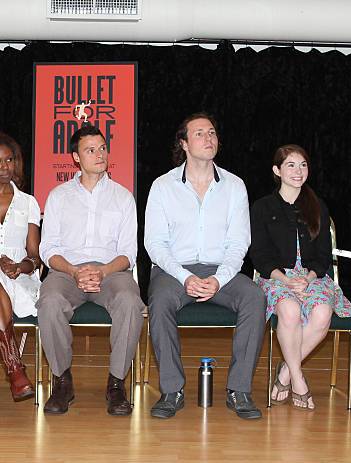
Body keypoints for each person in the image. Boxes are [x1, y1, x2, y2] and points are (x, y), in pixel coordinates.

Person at [145, 112, 266, 420]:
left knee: (254, 296)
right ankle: (172, 390)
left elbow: (239, 243)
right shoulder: (162, 186)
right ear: (183, 143)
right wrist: (186, 277)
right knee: (159, 301)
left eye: (212, 133)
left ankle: (239, 390)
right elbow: (155, 245)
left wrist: (219, 278)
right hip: (175, 271)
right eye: (199, 133)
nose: (208, 138)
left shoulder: (234, 186)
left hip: (220, 270)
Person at [38, 124, 144, 416]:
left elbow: (128, 253)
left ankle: (116, 383)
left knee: (130, 302)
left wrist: (104, 271)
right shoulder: (59, 196)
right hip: (66, 272)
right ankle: (62, 381)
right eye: (90, 150)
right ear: (75, 157)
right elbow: (48, 249)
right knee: (48, 302)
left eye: (102, 148)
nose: (99, 154)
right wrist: (73, 271)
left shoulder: (123, 197)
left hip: (111, 273)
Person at [250, 145, 351, 410]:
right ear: (277, 170)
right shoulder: (262, 207)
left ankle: (286, 372)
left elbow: (323, 255)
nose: (298, 171)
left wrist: (308, 278)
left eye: (303, 165)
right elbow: (259, 254)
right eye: (291, 165)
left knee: (322, 313)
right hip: (276, 277)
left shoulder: (317, 206)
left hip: (313, 277)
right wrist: (286, 280)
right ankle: (298, 380)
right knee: (288, 310)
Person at [0, 132, 41, 401]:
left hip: (19, 281)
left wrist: (20, 267)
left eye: (9, 159)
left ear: (16, 163)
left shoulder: (28, 202)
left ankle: (15, 370)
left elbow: (35, 257)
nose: (4, 166)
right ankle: (15, 369)